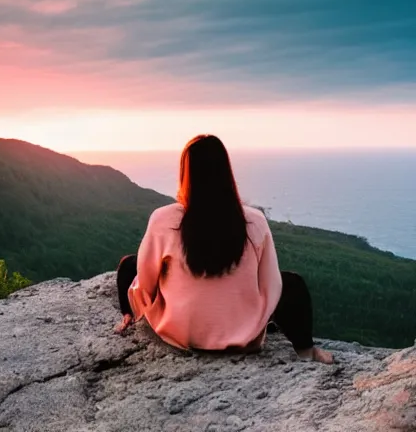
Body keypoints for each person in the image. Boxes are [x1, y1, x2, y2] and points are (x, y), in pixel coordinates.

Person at [115, 134, 333, 364]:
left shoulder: (164, 219)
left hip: (182, 333)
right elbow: (270, 284)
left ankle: (127, 317)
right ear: (226, 171)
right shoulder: (253, 220)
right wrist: (255, 317)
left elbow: (146, 284)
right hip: (243, 336)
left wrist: (145, 301)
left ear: (185, 173)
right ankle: (307, 352)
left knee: (129, 264)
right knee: (292, 283)